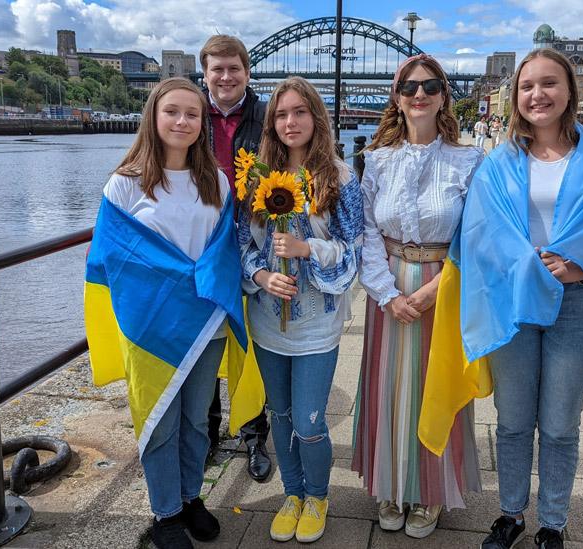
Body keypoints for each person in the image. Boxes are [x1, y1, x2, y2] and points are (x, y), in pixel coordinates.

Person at [416, 48, 583, 549]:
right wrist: (524, 263)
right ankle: (511, 515)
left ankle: (553, 523)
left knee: (560, 423)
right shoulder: (499, 162)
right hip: (515, 303)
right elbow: (478, 231)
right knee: (514, 420)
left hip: (578, 301)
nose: (537, 94)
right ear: (516, 96)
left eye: (549, 84)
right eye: (527, 86)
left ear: (569, 91)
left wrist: (580, 265)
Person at [86, 78, 247, 549]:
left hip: (204, 323)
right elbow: (111, 257)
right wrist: (177, 278)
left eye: (192, 114)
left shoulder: (215, 181)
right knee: (158, 418)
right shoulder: (124, 183)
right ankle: (165, 512)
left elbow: (223, 251)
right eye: (172, 112)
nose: (182, 121)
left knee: (198, 418)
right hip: (153, 326)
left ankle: (191, 496)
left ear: (203, 123)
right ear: (153, 118)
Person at [352, 54, 483, 539]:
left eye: (430, 86)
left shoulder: (467, 160)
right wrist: (387, 294)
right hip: (388, 286)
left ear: (444, 95)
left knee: (435, 383)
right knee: (388, 387)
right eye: (409, 87)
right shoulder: (378, 161)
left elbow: (473, 237)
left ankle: (429, 491)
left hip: (444, 285)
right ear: (397, 98)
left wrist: (432, 290)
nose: (419, 95)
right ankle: (390, 484)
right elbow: (366, 231)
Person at [239, 76, 364, 543]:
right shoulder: (255, 177)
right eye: (281, 114)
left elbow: (354, 246)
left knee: (310, 422)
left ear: (317, 117)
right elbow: (241, 244)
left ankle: (318, 495)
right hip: (270, 320)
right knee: (280, 415)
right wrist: (261, 276)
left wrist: (307, 248)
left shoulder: (339, 176)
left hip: (316, 323)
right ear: (272, 122)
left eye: (300, 112)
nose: (290, 122)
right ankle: (291, 493)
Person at [199, 34, 272, 482]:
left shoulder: (265, 116)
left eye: (234, 68)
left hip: (253, 244)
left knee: (250, 343)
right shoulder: (190, 113)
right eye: (217, 69)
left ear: (247, 72)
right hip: (201, 246)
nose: (226, 77)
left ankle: (253, 433)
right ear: (204, 73)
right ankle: (206, 435)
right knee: (202, 343)